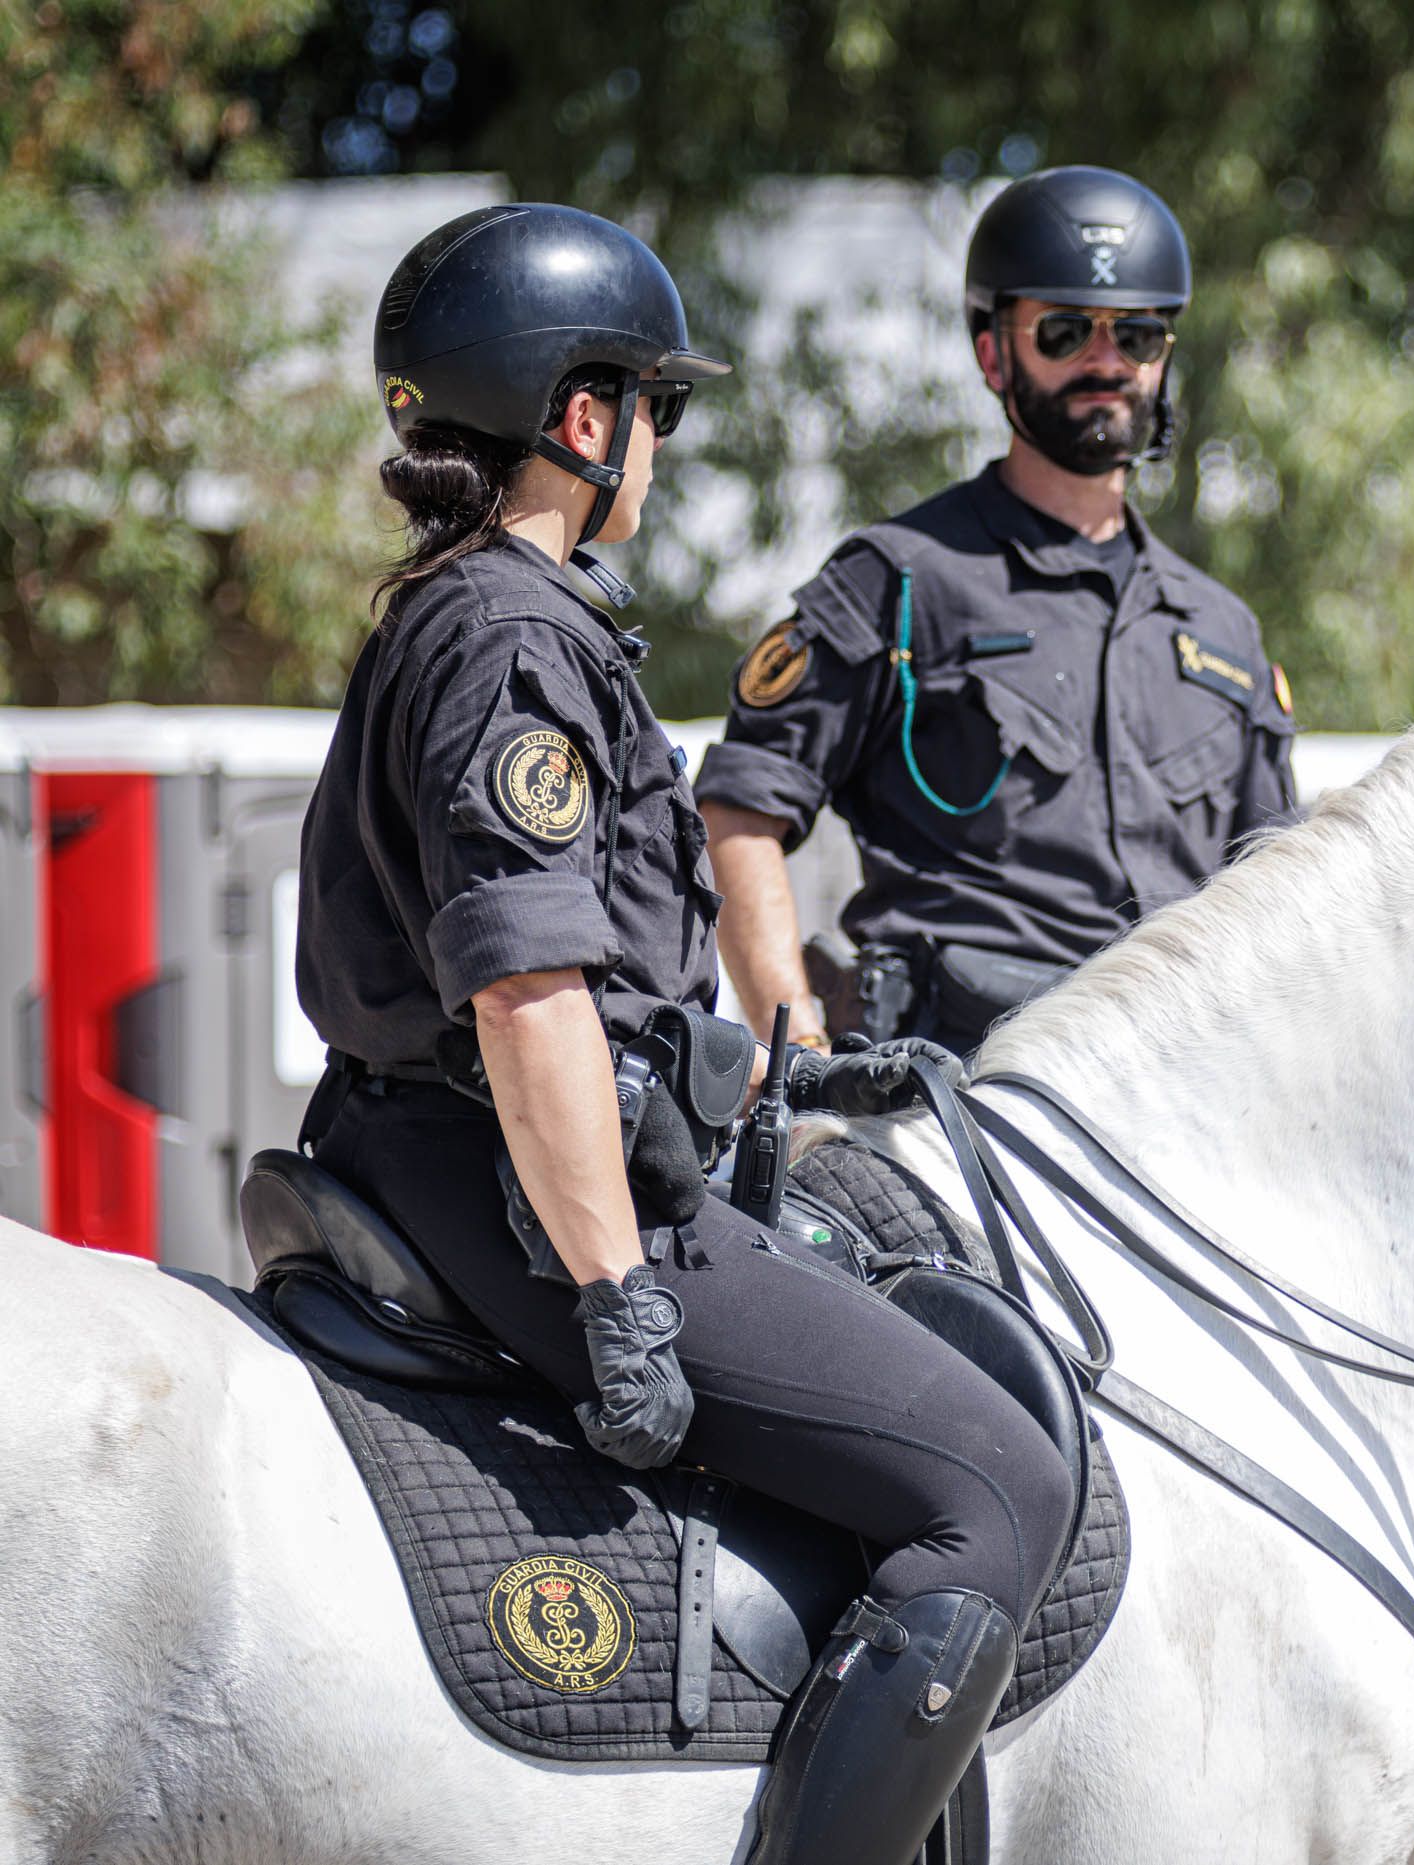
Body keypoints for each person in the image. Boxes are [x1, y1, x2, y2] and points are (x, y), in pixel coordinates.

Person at [293, 203, 1075, 1865]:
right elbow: (528, 993)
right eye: (660, 403)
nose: (663, 441)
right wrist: (614, 1287)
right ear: (586, 420)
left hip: (450, 1139)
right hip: (518, 1180)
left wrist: (768, 1071)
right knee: (996, 1491)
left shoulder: (459, 605)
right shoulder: (513, 633)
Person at [697, 164, 1298, 1056]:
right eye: (1064, 332)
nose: (1107, 362)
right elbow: (741, 812)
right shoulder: (899, 579)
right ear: (993, 355)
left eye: (1136, 334)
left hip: (1174, 1107)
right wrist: (798, 1050)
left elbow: (1283, 900)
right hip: (950, 1101)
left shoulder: (1222, 632)